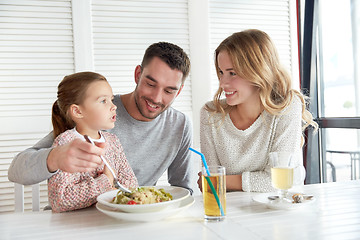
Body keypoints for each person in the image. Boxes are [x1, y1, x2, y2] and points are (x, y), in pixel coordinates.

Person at [8, 42, 195, 193]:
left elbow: (183, 190)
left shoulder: (180, 124)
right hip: (75, 222)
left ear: (178, 92)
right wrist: (54, 158)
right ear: (138, 74)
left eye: (169, 91)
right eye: (150, 84)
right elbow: (16, 171)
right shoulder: (98, 111)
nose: (156, 98)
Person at [198, 29, 318, 192]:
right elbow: (211, 183)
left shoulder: (287, 107)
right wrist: (217, 182)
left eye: (232, 73)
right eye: (221, 72)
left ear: (258, 71)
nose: (222, 83)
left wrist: (224, 182)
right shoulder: (211, 113)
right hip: (231, 211)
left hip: (280, 209)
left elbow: (278, 181)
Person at [48, 72, 138, 212]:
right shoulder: (65, 143)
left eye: (112, 99)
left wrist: (106, 190)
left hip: (108, 219)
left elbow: (131, 184)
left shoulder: (113, 141)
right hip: (76, 226)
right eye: (103, 101)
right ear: (77, 112)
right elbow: (60, 200)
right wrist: (105, 181)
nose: (114, 106)